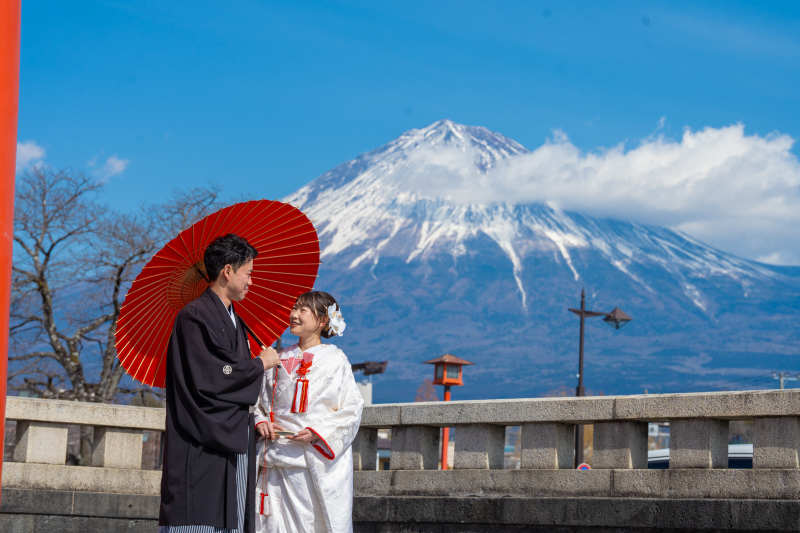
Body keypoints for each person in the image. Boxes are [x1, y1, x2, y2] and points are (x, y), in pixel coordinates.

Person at [159, 233, 281, 533]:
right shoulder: (194, 316)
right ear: (228, 271)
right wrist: (259, 364)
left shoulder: (233, 320)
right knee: (199, 514)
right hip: (200, 439)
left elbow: (228, 368)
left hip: (231, 433)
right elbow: (213, 374)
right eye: (248, 273)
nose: (251, 281)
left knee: (233, 516)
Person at [254, 291, 364, 533]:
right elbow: (258, 402)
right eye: (294, 308)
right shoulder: (277, 357)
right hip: (275, 458)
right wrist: (261, 420)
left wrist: (317, 431)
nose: (294, 314)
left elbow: (352, 408)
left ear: (323, 321)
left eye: (303, 310)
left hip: (311, 460)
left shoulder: (336, 360)